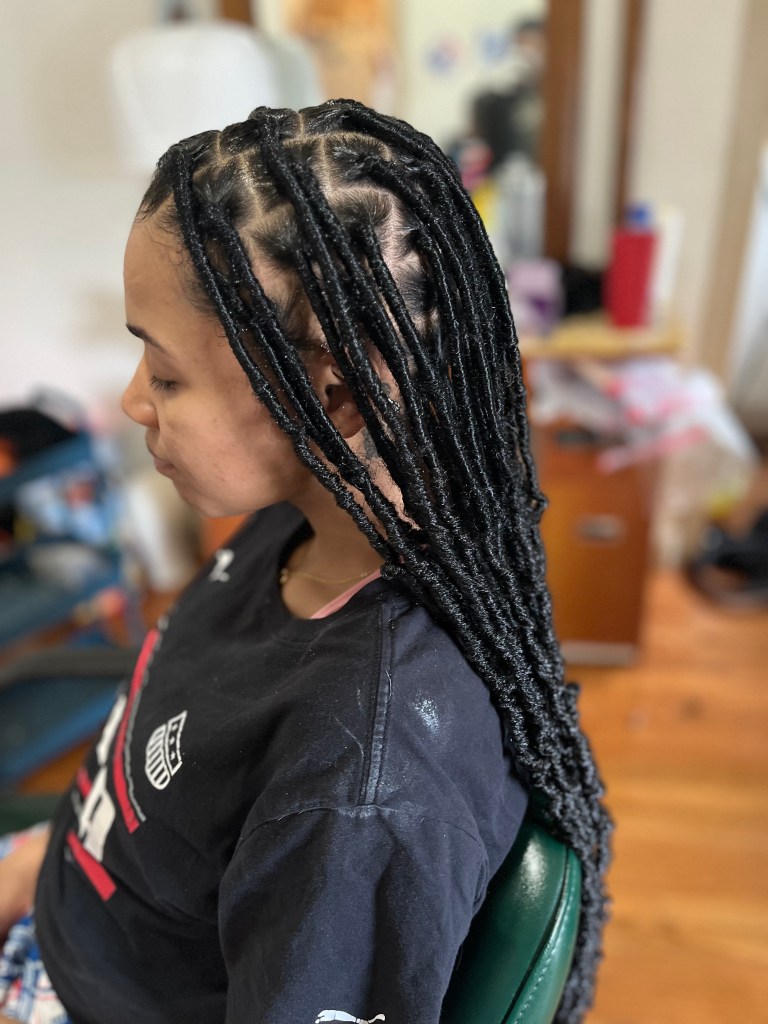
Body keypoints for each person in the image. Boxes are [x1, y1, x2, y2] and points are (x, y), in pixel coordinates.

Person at [0, 100, 611, 1024]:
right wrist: (40, 866)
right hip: (63, 900)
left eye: (165, 375)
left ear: (334, 395)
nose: (132, 402)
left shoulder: (358, 786)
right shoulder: (294, 527)